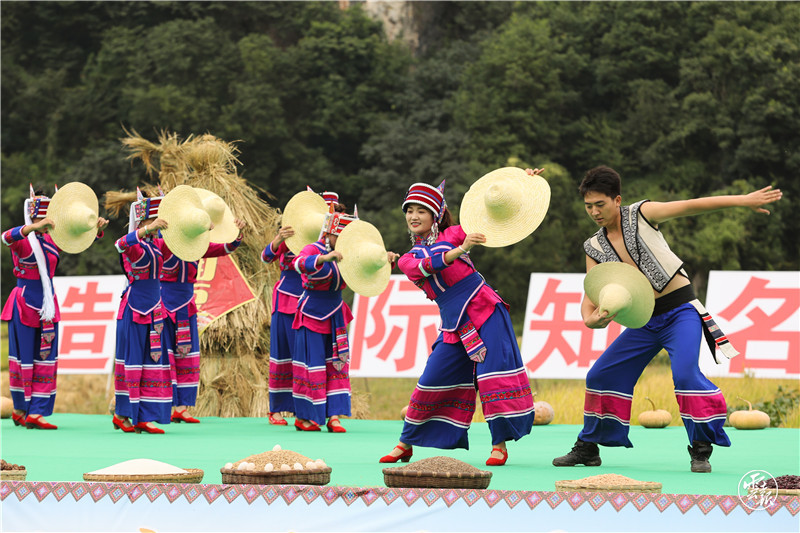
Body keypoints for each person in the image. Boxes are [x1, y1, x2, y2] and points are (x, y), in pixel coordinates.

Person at [551, 165, 783, 472]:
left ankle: (700, 448)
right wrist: (590, 319)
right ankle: (588, 448)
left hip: (681, 312)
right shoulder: (593, 246)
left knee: (685, 375)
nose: (594, 212)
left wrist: (743, 200)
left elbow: (690, 206)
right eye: (588, 206)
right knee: (600, 376)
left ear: (617, 199)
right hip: (643, 321)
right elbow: (592, 291)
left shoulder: (643, 214)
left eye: (600, 204)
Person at [379, 181, 535, 466]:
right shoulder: (408, 259)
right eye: (409, 211)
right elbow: (431, 264)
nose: (413, 216)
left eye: (421, 211)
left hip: (486, 310)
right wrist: (459, 249)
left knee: (490, 378)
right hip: (455, 324)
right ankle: (406, 443)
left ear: (435, 215)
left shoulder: (453, 233)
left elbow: (491, 216)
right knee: (431, 379)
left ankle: (498, 445)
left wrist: (521, 184)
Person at [2, 186, 108, 430]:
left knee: (45, 357)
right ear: (34, 215)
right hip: (25, 302)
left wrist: (96, 229)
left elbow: (77, 239)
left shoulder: (53, 239)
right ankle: (20, 409)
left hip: (47, 303)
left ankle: (37, 412)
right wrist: (33, 228)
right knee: (22, 358)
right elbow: (5, 237)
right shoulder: (22, 240)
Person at [160, 219, 246, 423]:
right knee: (165, 355)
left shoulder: (198, 246)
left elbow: (227, 247)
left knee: (187, 354)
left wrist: (239, 233)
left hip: (186, 305)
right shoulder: (162, 244)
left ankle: (182, 407)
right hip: (163, 304)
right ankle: (164, 405)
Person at [290, 195, 357, 433]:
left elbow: (366, 272)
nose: (343, 241)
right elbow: (298, 264)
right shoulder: (313, 248)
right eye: (340, 235)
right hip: (311, 313)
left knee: (337, 364)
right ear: (328, 232)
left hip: (336, 314)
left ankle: (335, 416)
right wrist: (323, 258)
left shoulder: (350, 252)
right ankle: (306, 416)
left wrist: (384, 261)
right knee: (311, 364)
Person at [111, 192, 173, 434]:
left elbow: (183, 245)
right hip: (135, 308)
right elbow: (120, 244)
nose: (160, 223)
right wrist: (146, 230)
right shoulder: (136, 245)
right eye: (155, 219)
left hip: (155, 308)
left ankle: (143, 416)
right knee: (133, 361)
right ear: (145, 220)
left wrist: (198, 228)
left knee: (152, 361)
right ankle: (125, 414)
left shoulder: (157, 245)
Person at [262, 224, 300, 426]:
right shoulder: (290, 238)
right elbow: (266, 257)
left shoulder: (325, 245)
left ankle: (304, 409)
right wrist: (278, 239)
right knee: (282, 355)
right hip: (286, 302)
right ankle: (276, 409)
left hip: (314, 306)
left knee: (306, 359)